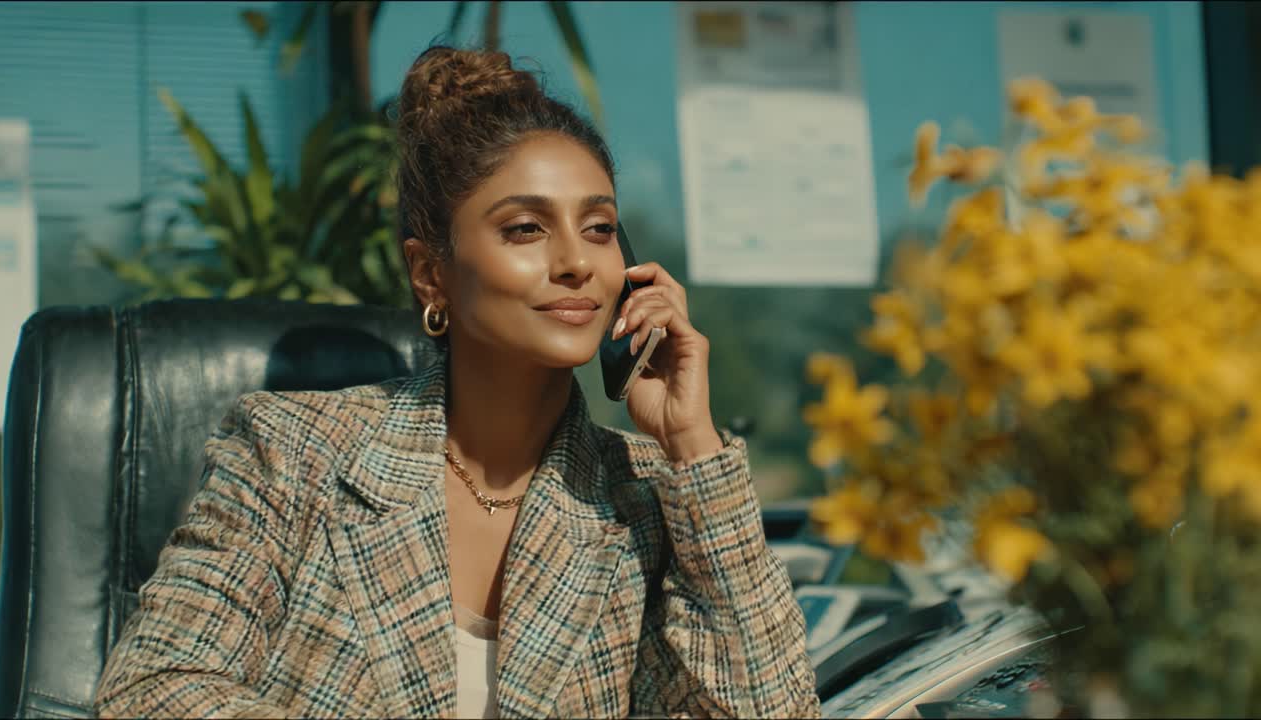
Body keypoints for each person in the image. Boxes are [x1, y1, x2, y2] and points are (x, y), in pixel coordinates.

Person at [93, 44, 819, 719]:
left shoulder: (647, 498)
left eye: (598, 228)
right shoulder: (292, 454)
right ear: (430, 272)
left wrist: (692, 440)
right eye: (525, 229)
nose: (576, 262)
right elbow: (152, 688)